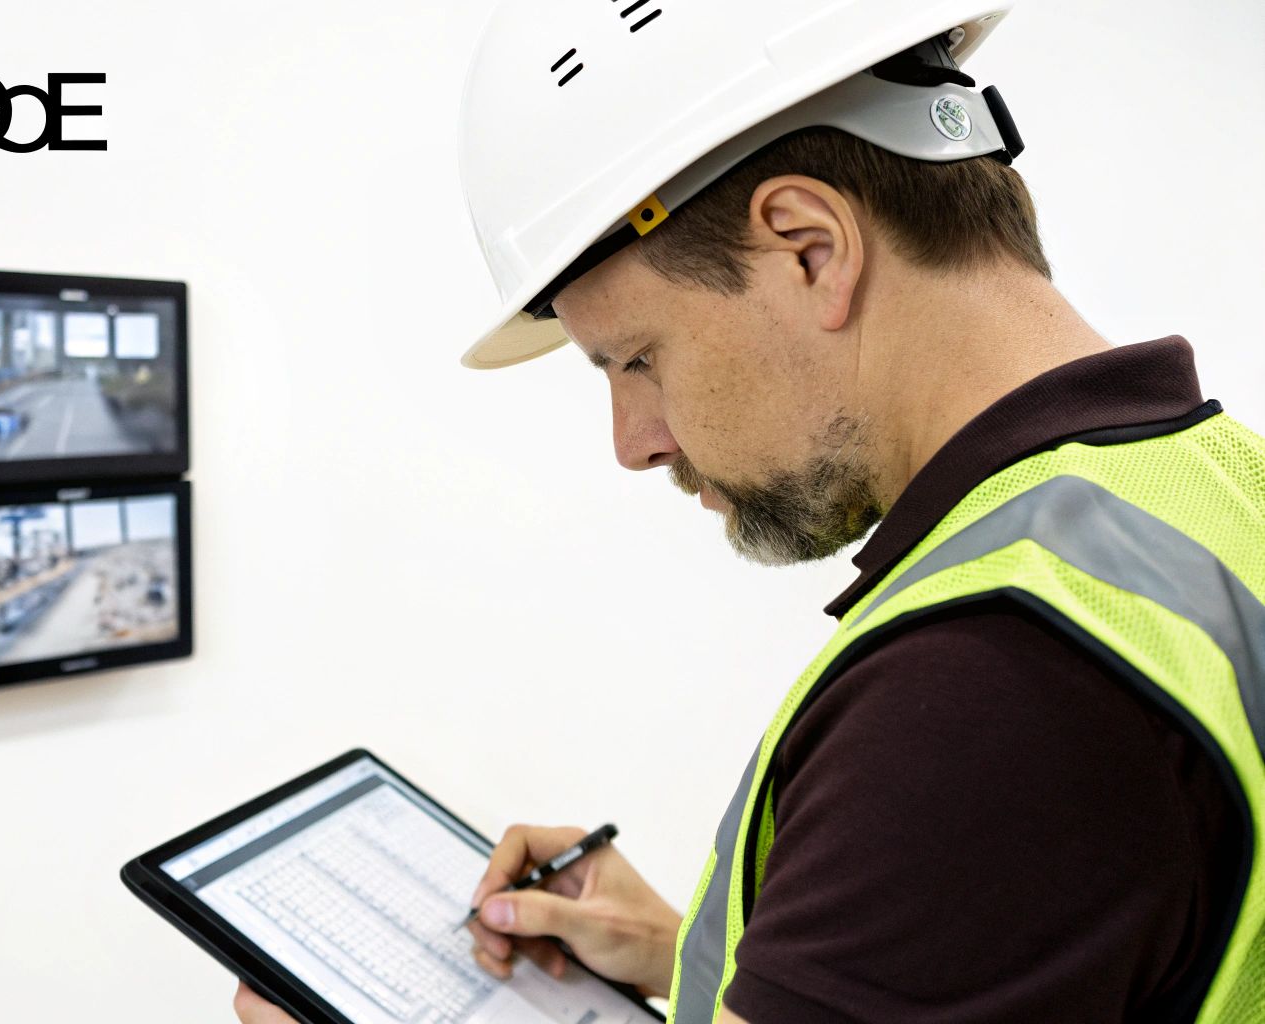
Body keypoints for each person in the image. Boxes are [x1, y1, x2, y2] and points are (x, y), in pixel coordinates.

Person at [235, 2, 1265, 1020]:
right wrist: (703, 954)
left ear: (807, 247)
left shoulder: (985, 688)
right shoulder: (1199, 483)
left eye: (636, 358)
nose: (632, 442)